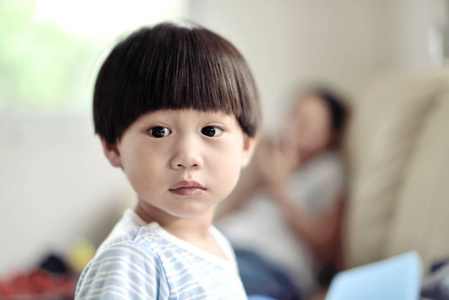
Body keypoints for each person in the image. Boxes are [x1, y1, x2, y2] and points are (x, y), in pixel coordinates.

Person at [75, 22, 261, 299]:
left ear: (246, 146)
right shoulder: (131, 261)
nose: (187, 157)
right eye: (159, 131)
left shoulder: (216, 243)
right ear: (113, 146)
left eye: (210, 130)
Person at [216, 88, 350, 299]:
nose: (292, 129)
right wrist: (257, 175)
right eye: (293, 117)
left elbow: (325, 249)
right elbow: (224, 213)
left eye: (306, 125)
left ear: (330, 135)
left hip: (267, 264)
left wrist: (279, 186)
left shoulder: (329, 171)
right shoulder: (273, 160)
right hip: (222, 244)